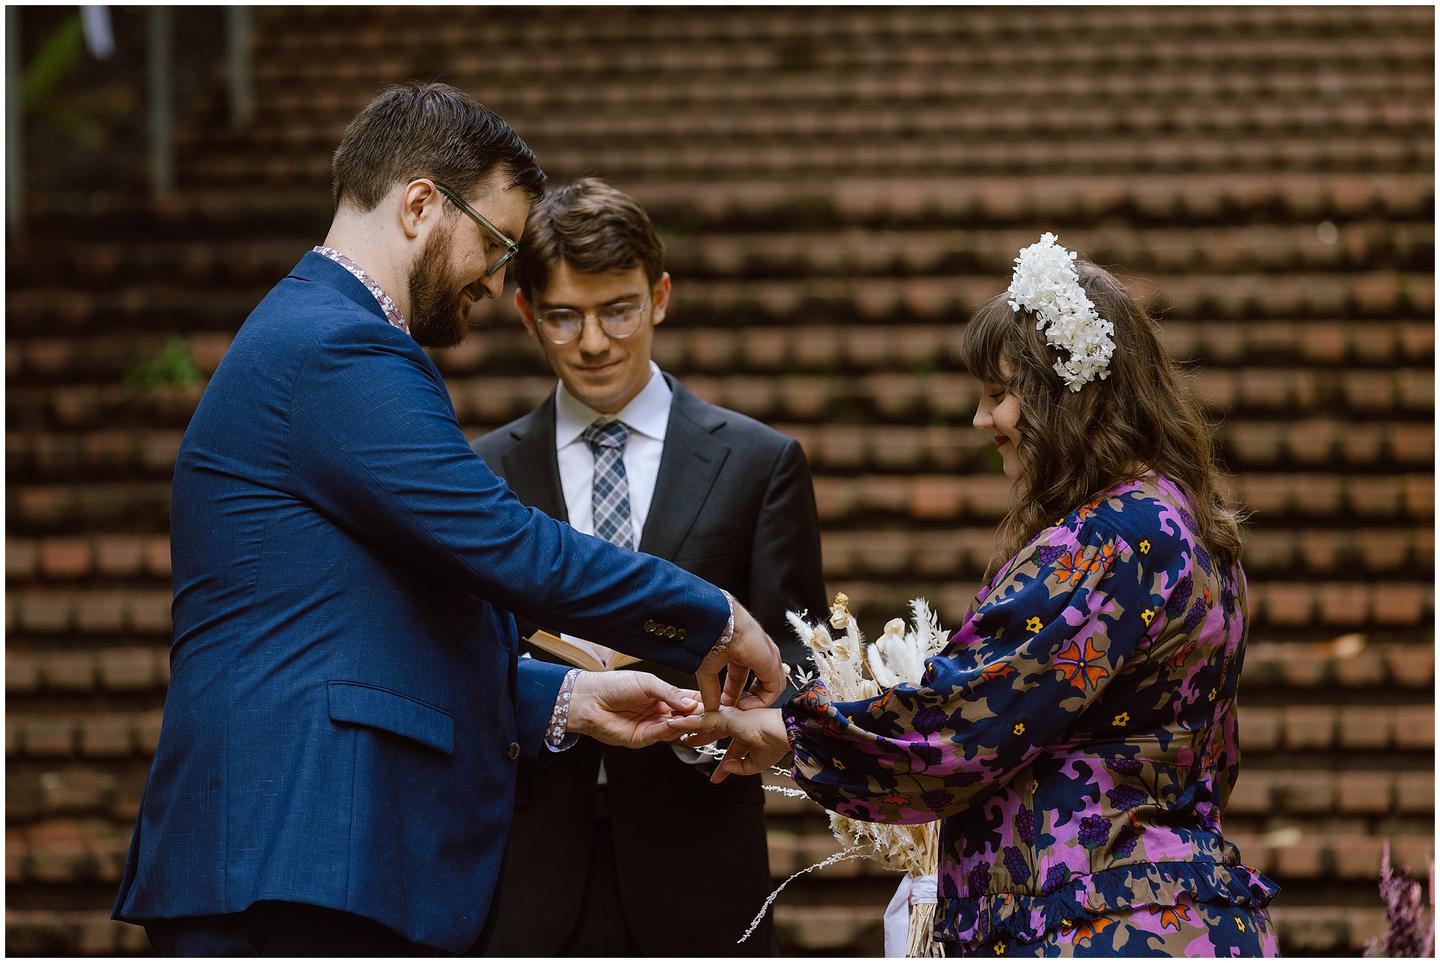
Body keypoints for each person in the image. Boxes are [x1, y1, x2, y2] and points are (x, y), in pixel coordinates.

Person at [110, 82, 783, 957]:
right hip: (293, 850)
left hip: (308, 854)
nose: (499, 277)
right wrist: (717, 614)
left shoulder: (317, 334)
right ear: (422, 205)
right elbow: (504, 544)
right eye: (496, 242)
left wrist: (569, 697)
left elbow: (382, 626)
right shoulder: (336, 346)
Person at [675, 235, 1281, 957]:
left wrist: (791, 732)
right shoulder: (1183, 522)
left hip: (1100, 922)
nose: (982, 419)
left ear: (1066, 394)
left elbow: (965, 718)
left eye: (999, 394)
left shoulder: (1112, 538)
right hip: (1170, 912)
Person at [471, 178, 827, 956]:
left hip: (701, 870)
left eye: (618, 309)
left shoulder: (759, 464)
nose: (593, 341)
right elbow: (458, 661)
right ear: (527, 312)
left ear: (660, 296)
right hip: (522, 874)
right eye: (564, 316)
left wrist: (723, 727)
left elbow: (801, 662)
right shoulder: (478, 474)